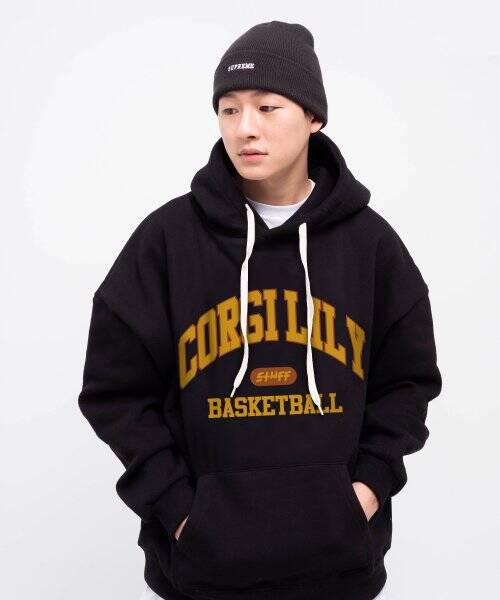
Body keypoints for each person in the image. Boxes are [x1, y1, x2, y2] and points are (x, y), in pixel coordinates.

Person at [78, 20, 442, 600]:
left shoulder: (370, 245)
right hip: (201, 575)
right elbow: (114, 393)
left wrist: (366, 491)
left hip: (338, 571)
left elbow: (408, 383)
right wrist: (181, 512)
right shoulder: (167, 241)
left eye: (267, 107)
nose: (244, 128)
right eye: (229, 109)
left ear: (313, 116)